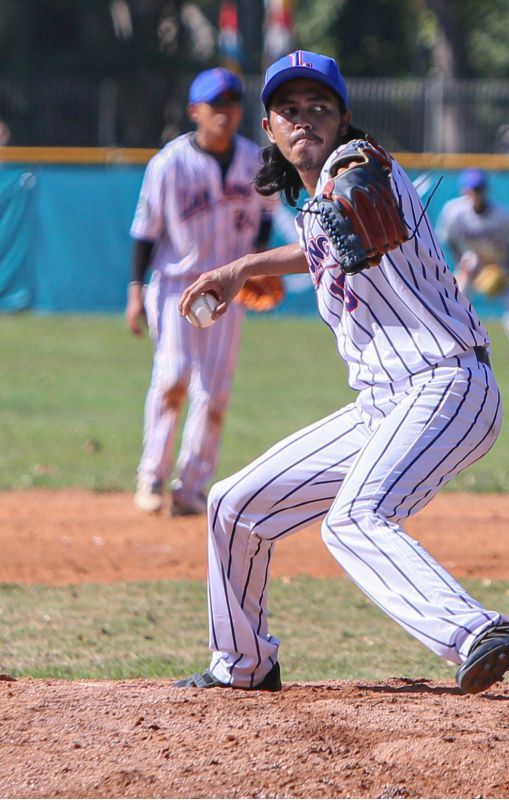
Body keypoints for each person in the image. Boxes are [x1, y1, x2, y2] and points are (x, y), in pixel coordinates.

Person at [173, 50, 509, 694]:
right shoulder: (313, 202)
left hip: (448, 382)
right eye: (289, 110)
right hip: (382, 403)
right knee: (233, 506)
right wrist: (242, 268)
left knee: (354, 518)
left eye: (320, 108)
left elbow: (360, 184)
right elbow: (316, 240)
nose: (304, 120)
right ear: (268, 127)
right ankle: (243, 666)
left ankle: (476, 632)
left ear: (345, 118)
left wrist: (351, 180)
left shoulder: (360, 166)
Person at [127, 67, 275, 516]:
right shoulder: (168, 164)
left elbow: (266, 214)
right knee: (173, 378)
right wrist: (136, 290)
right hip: (175, 286)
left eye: (232, 104)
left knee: (215, 391)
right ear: (196, 111)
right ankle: (152, 475)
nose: (225, 113)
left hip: (228, 289)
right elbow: (145, 233)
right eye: (215, 106)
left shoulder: (257, 161)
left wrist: (260, 264)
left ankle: (191, 487)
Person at [436, 168, 509, 371]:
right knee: (455, 300)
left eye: (479, 188)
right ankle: (450, 346)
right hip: (473, 260)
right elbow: (448, 239)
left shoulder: (503, 215)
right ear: (465, 191)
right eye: (472, 189)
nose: (476, 193)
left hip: (500, 262)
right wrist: (461, 263)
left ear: (486, 190)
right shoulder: (455, 211)